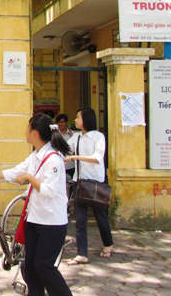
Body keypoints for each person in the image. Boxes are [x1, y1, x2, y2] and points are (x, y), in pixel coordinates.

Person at [0, 113, 73, 296]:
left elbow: (49, 191)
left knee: (44, 266)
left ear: (35, 133)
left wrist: (30, 178)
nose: (25, 131)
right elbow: (15, 172)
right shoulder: (35, 156)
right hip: (34, 220)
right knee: (29, 267)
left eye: (27, 128)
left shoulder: (54, 160)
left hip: (51, 223)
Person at [66, 108, 114, 265]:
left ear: (86, 119)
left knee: (101, 217)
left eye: (78, 117)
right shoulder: (77, 137)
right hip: (80, 182)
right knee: (80, 220)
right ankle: (82, 253)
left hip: (95, 183)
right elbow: (64, 148)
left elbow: (97, 158)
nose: (75, 120)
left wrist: (75, 157)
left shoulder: (98, 137)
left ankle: (108, 244)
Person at [55, 113, 75, 180]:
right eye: (58, 122)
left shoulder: (72, 134)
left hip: (70, 166)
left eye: (62, 122)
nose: (60, 124)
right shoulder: (55, 134)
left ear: (66, 123)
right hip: (58, 165)